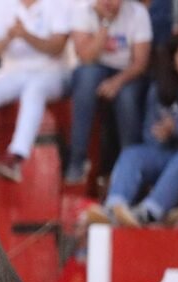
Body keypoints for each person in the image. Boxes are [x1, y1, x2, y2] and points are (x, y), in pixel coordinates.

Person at [83, 33, 178, 226]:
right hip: (169, 149)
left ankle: (150, 211)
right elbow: (149, 132)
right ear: (173, 62)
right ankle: (113, 208)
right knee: (133, 154)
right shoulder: (160, 87)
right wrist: (161, 134)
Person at [0, 0, 72, 183]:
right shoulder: (2, 4)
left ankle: (16, 156)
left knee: (35, 90)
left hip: (50, 71)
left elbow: (58, 47)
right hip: (12, 71)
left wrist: (25, 35)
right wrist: (9, 36)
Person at [64, 0, 152, 185]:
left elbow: (140, 63)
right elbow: (86, 57)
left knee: (127, 97)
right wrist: (105, 24)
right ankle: (77, 160)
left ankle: (131, 167)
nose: (109, 2)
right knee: (86, 78)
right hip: (95, 68)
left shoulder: (138, 13)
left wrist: (117, 82)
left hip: (128, 72)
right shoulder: (82, 10)